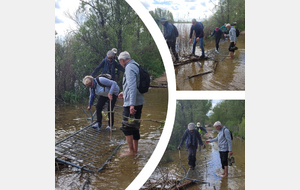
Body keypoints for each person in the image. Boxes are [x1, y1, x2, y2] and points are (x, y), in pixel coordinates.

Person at [117, 51, 145, 155]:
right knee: (135, 126)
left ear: (122, 60)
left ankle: (131, 151)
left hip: (131, 103)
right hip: (138, 100)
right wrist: (124, 92)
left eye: (120, 61)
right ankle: (135, 151)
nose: (120, 63)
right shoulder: (135, 65)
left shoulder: (129, 68)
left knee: (126, 127)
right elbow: (133, 85)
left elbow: (133, 87)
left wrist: (131, 104)